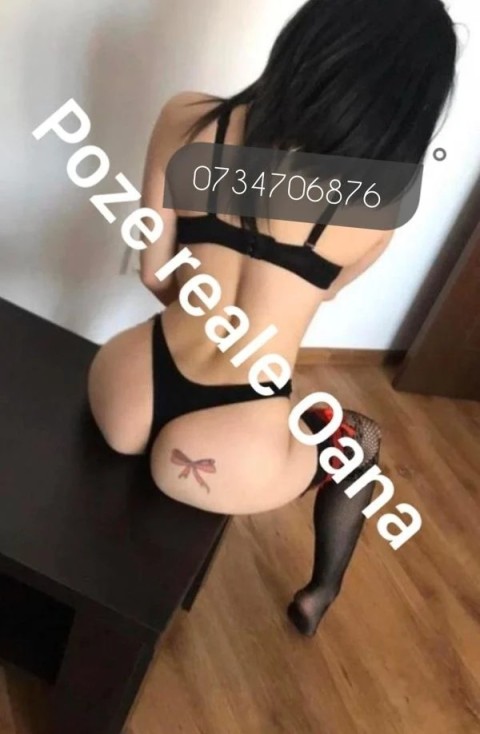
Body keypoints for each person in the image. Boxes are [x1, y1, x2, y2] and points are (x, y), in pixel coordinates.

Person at [87, 0, 457, 636]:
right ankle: (319, 593)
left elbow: (154, 272)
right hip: (233, 444)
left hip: (127, 383)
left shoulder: (187, 116)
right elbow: (317, 299)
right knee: (362, 438)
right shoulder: (378, 212)